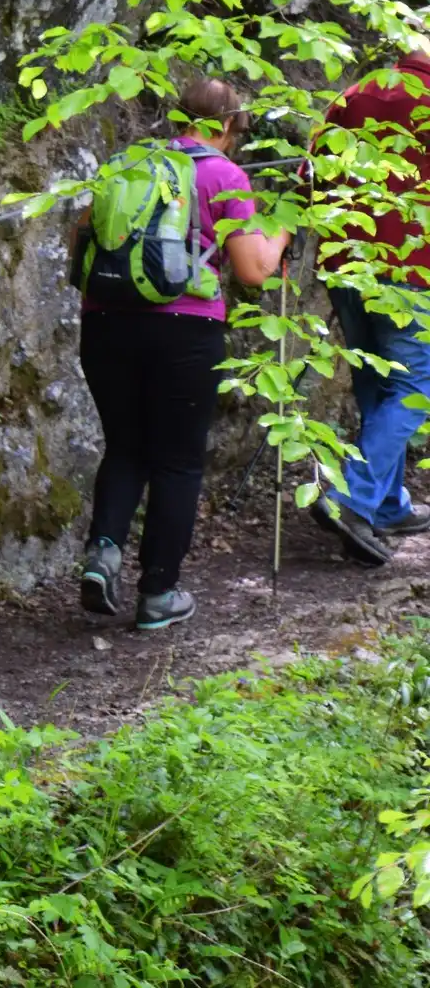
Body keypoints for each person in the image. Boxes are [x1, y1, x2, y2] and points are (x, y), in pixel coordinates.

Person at [76, 79, 287, 627]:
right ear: (227, 125)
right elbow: (254, 270)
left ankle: (103, 552)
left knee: (125, 447)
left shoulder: (126, 164)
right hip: (185, 331)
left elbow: (81, 242)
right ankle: (158, 593)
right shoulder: (224, 174)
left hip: (104, 322)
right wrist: (284, 229)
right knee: (177, 460)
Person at [308, 39, 430, 565]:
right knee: (416, 386)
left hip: (346, 264)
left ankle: (386, 503)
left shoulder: (353, 94)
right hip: (411, 268)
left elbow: (311, 173)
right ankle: (351, 497)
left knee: (377, 386)